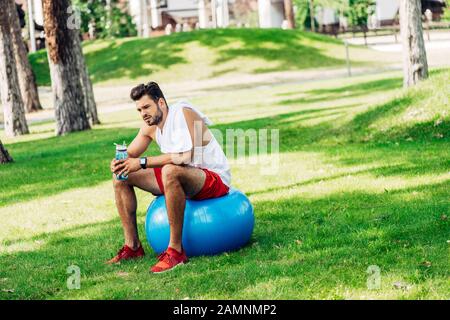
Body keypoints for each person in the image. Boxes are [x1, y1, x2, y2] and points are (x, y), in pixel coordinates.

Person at [107, 82, 231, 273]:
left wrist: (140, 162)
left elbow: (184, 157)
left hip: (212, 179)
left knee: (170, 170)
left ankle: (175, 251)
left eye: (147, 107)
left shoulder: (183, 113)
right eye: (139, 110)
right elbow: (129, 154)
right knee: (121, 176)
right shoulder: (150, 127)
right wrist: (118, 162)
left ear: (162, 103)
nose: (143, 113)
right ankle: (132, 247)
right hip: (183, 178)